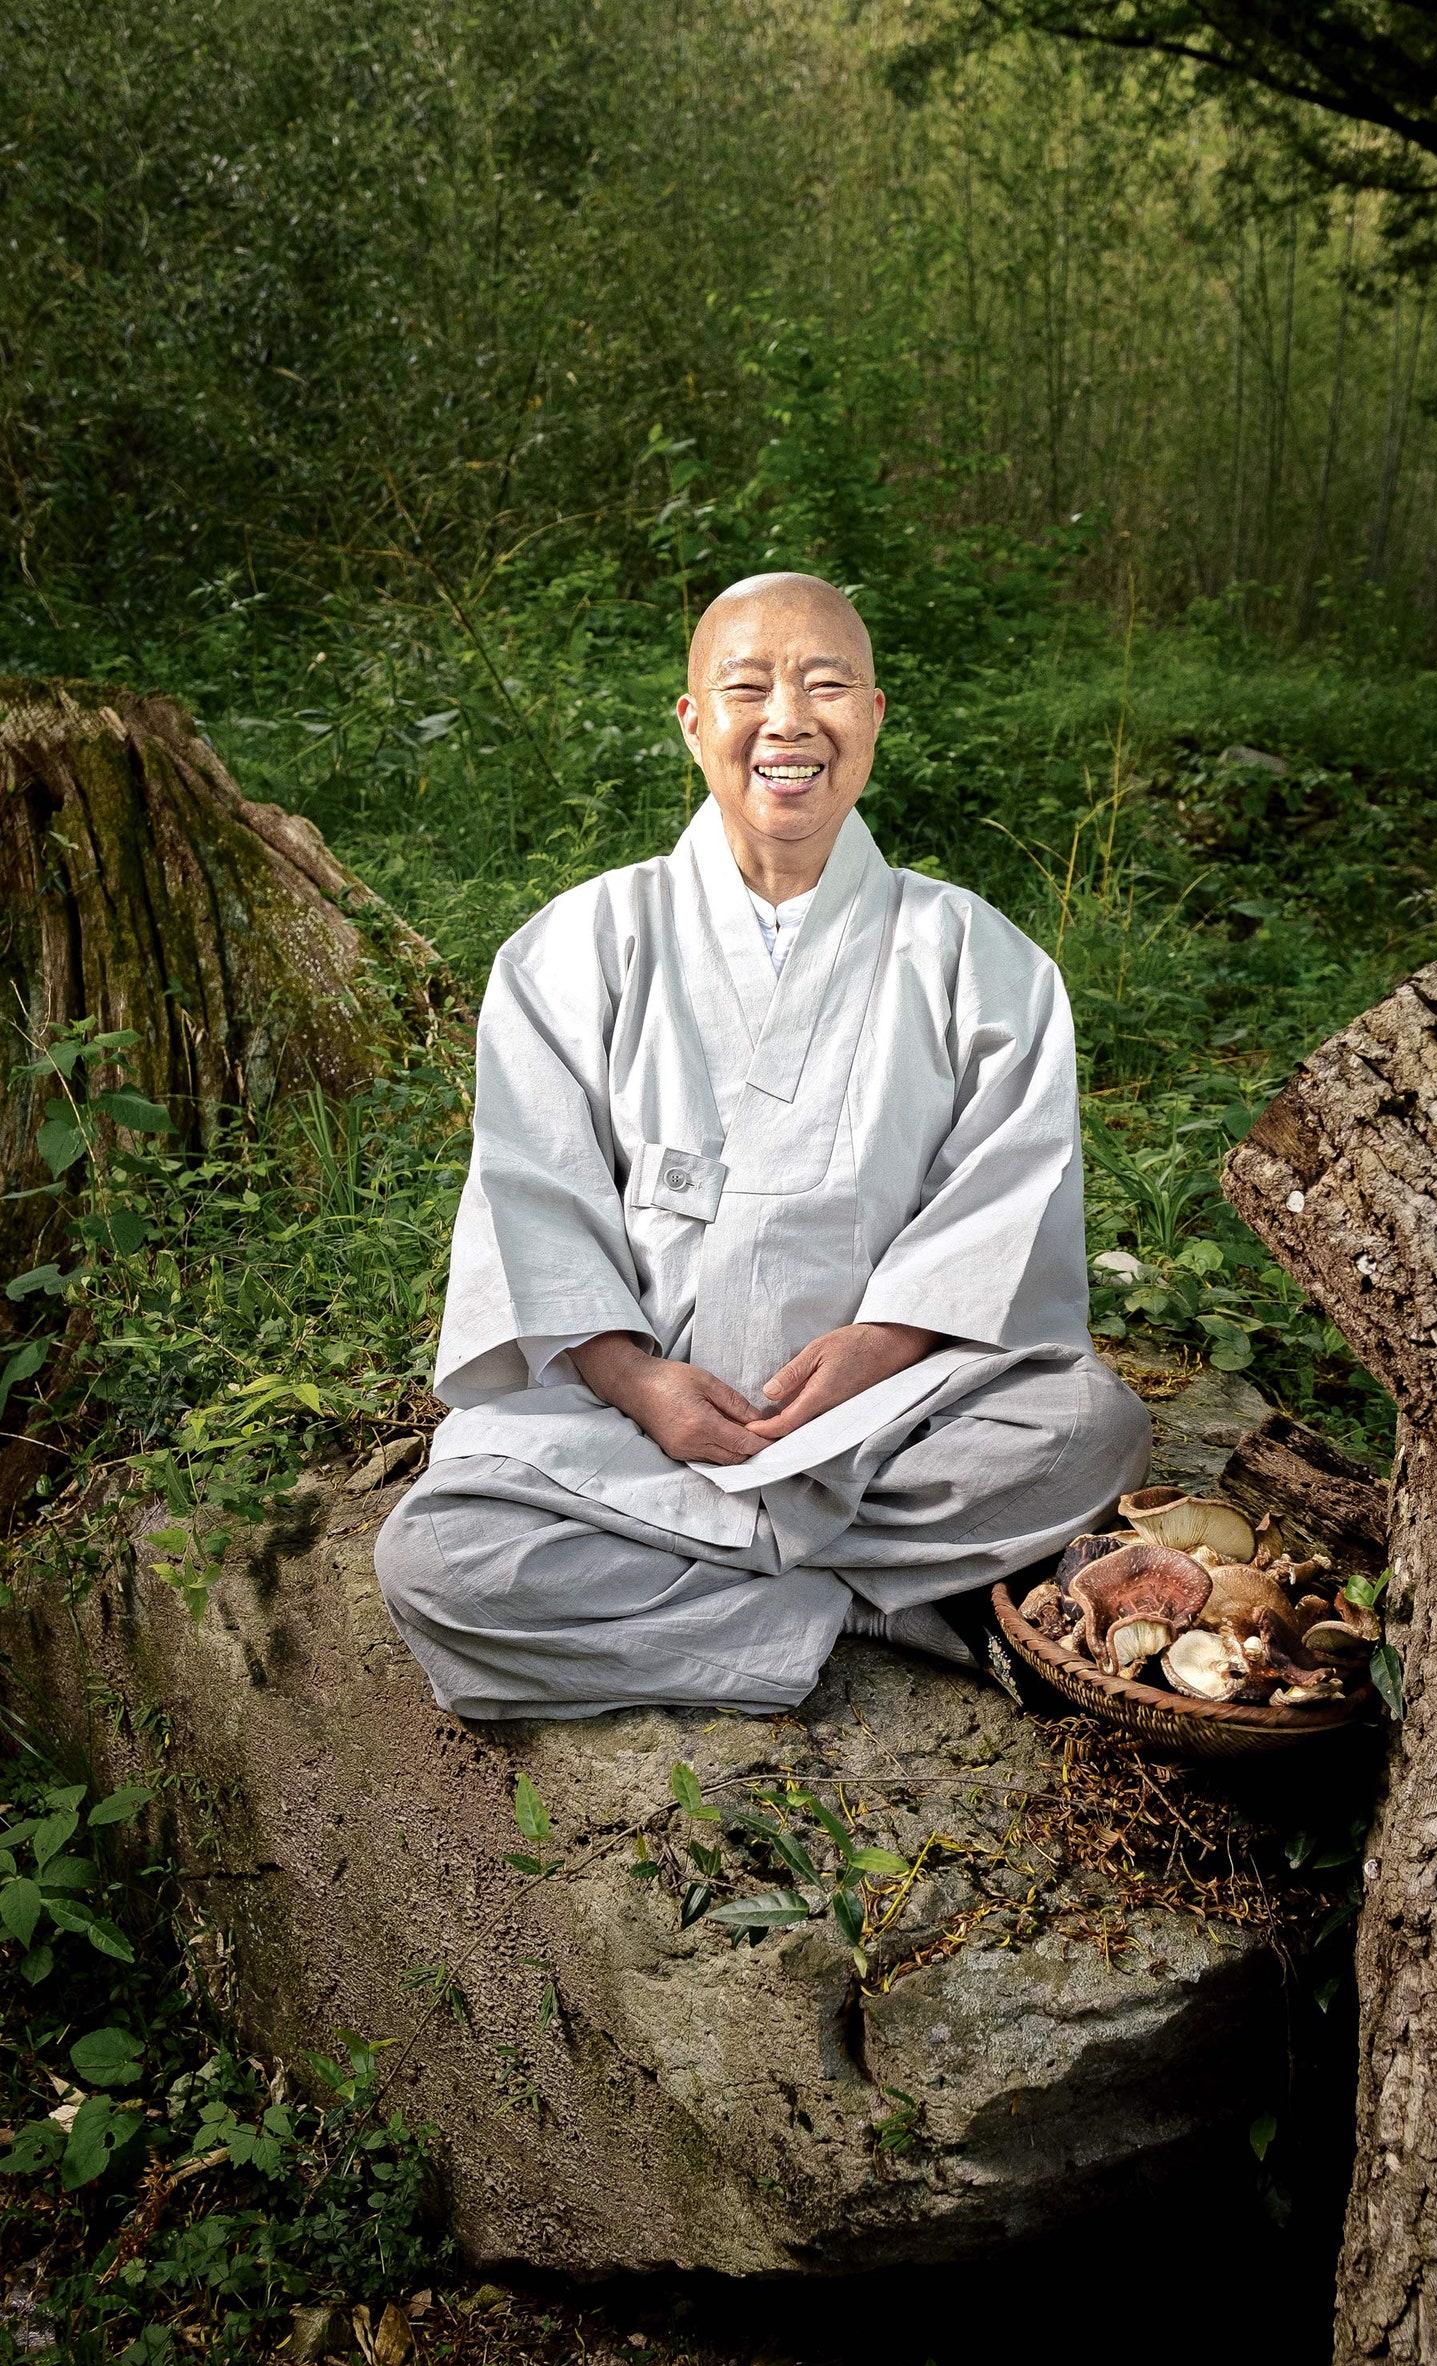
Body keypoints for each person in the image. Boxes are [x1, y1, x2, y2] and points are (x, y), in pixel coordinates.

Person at [375, 571, 1151, 1719]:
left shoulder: (980, 957)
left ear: (874, 718)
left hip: (888, 1419)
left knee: (1092, 1426)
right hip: (632, 1429)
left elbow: (1005, 1200)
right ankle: (874, 1606)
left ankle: (722, 1591)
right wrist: (636, 1381)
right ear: (694, 724)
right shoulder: (573, 947)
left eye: (825, 685)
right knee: (440, 1565)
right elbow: (531, 1203)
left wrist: (882, 1344)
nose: (788, 719)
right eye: (748, 687)